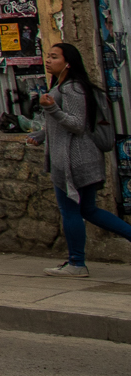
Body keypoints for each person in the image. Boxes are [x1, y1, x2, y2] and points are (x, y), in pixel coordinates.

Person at [34, 42, 131, 277]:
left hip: (73, 161)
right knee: (88, 209)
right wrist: (40, 135)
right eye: (48, 56)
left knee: (71, 211)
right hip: (78, 158)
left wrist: (51, 109)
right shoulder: (62, 85)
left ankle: (77, 263)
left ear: (68, 63)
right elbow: (65, 124)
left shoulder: (72, 88)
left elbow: (77, 124)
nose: (48, 60)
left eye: (54, 57)